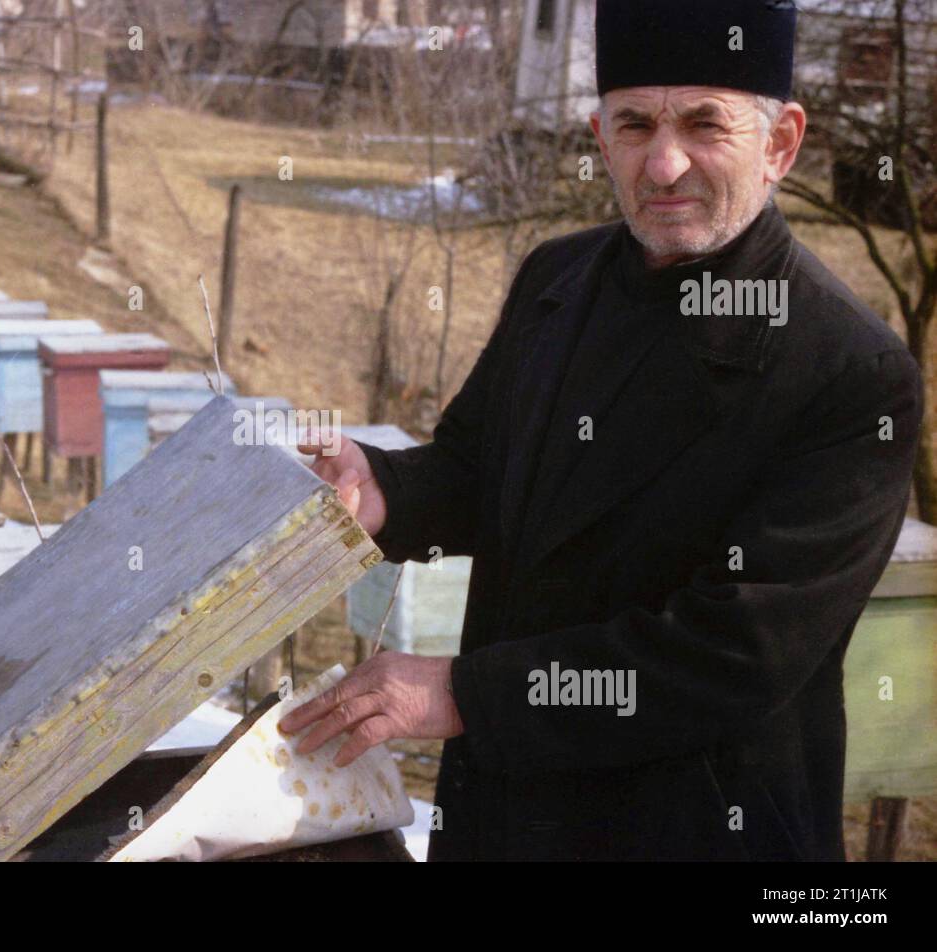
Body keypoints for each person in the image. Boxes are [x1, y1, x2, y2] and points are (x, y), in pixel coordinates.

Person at [282, 0, 923, 861]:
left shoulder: (848, 368)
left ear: (780, 143)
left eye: (704, 124)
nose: (664, 164)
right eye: (634, 125)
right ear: (600, 134)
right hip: (505, 821)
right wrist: (383, 489)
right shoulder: (558, 278)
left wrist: (471, 694)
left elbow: (736, 650)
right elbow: (480, 471)